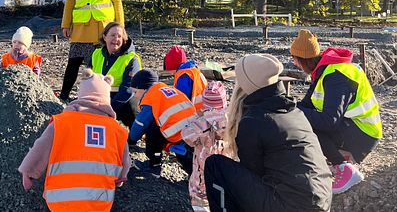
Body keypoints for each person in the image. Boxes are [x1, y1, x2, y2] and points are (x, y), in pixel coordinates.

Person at [203, 54, 332, 212]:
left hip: (291, 205)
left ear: (247, 83)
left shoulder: (255, 120)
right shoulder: (293, 111)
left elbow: (252, 173)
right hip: (319, 201)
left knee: (215, 166)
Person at [18, 68, 131, 212]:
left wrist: (29, 171)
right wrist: (122, 177)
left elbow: (41, 147)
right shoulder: (118, 131)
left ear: (81, 95)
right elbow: (125, 159)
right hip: (99, 199)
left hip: (60, 197)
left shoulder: (62, 122)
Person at [291, 29, 382, 194]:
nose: (295, 64)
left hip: (364, 134)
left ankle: (344, 168)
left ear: (302, 59)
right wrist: (287, 106)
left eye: (295, 59)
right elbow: (305, 105)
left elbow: (329, 121)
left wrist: (295, 112)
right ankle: (336, 159)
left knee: (309, 126)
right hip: (353, 127)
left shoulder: (336, 76)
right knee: (300, 119)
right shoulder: (324, 71)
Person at [58, 0, 125, 102]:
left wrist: (120, 26)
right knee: (73, 62)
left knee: (98, 65)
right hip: (81, 26)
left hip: (102, 27)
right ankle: (63, 96)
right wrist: (65, 25)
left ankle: (96, 97)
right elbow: (69, 3)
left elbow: (116, 1)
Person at [128, 69, 197, 177]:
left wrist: (131, 139)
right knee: (189, 156)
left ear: (144, 88)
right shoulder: (165, 89)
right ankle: (197, 176)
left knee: (152, 131)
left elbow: (140, 124)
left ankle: (153, 165)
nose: (135, 96)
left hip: (176, 130)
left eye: (135, 92)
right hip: (193, 126)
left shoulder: (150, 97)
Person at [182, 81, 228, 211]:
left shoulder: (200, 123)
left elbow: (187, 136)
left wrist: (201, 118)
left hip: (202, 178)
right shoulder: (233, 118)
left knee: (201, 204)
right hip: (227, 175)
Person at [89, 22, 141, 126]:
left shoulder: (131, 59)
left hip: (123, 99)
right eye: (113, 35)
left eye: (119, 36)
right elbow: (88, 80)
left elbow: (128, 89)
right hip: (100, 97)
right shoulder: (96, 54)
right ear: (104, 37)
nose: (116, 39)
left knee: (131, 109)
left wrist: (108, 110)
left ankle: (133, 138)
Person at [165, 45, 208, 111]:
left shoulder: (183, 76)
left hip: (195, 112)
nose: (172, 74)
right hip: (204, 107)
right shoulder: (193, 70)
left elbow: (181, 99)